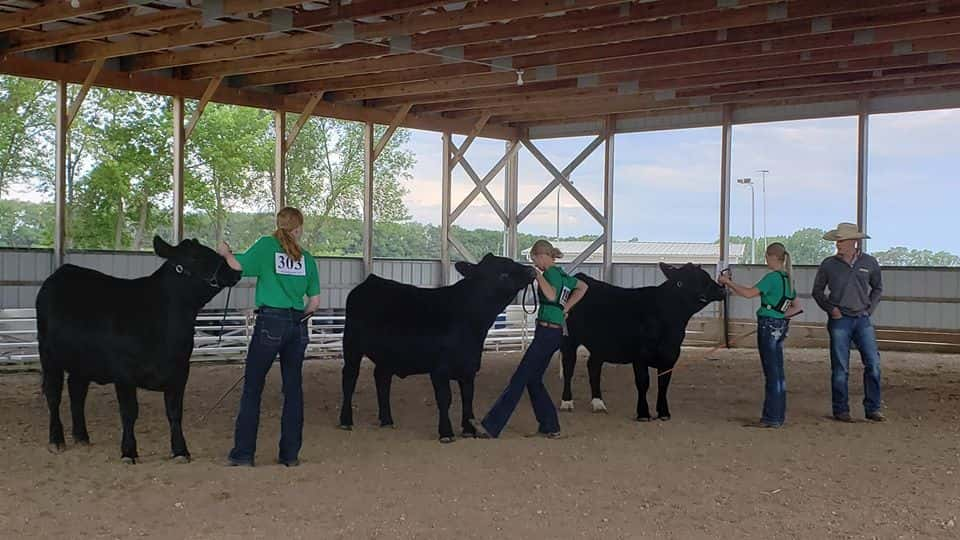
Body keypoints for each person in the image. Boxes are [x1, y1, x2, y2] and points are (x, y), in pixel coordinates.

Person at [217, 207, 322, 466]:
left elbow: (238, 265)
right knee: (293, 390)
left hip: (270, 322)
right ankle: (289, 455)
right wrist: (299, 319)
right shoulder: (306, 259)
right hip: (297, 325)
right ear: (298, 229)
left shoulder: (266, 247)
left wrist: (226, 253)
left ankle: (243, 454)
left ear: (279, 225)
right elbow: (315, 302)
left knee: (253, 387)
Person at [472, 240, 588, 439]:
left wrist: (538, 277)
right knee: (533, 381)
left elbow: (551, 296)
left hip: (546, 332)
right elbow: (583, 287)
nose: (536, 264)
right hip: (554, 333)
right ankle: (550, 426)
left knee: (519, 379)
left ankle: (491, 426)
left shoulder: (550, 274)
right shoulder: (562, 275)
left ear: (541, 256)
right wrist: (566, 308)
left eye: (535, 260)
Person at [719, 243, 801, 429]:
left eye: (766, 257)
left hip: (768, 326)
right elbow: (797, 307)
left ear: (772, 257)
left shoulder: (771, 278)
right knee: (778, 373)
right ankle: (777, 415)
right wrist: (780, 317)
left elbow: (748, 294)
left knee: (771, 373)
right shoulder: (788, 279)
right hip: (780, 326)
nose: (766, 260)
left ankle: (771, 417)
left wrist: (728, 282)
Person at [812, 222, 884, 423]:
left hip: (862, 318)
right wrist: (830, 308)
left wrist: (869, 309)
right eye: (838, 240)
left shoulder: (869, 263)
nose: (838, 244)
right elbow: (817, 291)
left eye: (841, 240)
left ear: (854, 242)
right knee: (840, 367)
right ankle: (841, 409)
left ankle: (873, 407)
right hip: (840, 318)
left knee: (873, 364)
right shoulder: (829, 264)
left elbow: (878, 288)